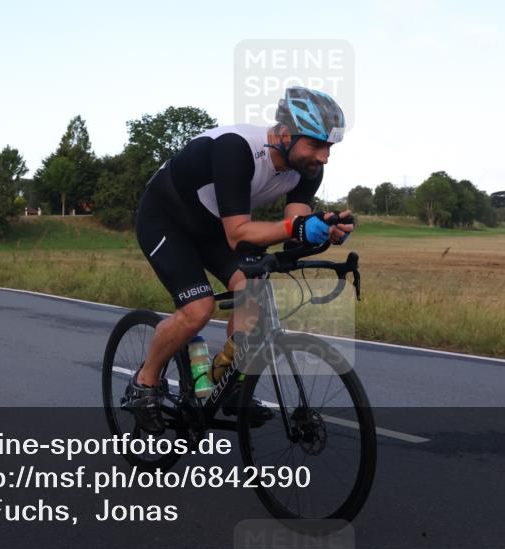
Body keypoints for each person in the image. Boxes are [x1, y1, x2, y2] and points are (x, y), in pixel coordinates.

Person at [122, 86, 355, 434]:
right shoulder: (237, 149)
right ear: (285, 134)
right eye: (317, 145)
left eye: (329, 147)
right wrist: (300, 226)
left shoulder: (306, 169)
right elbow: (239, 234)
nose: (324, 157)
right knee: (198, 309)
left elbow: (294, 231)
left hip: (215, 226)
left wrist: (323, 230)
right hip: (166, 221)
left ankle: (225, 384)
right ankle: (144, 384)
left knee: (255, 302)